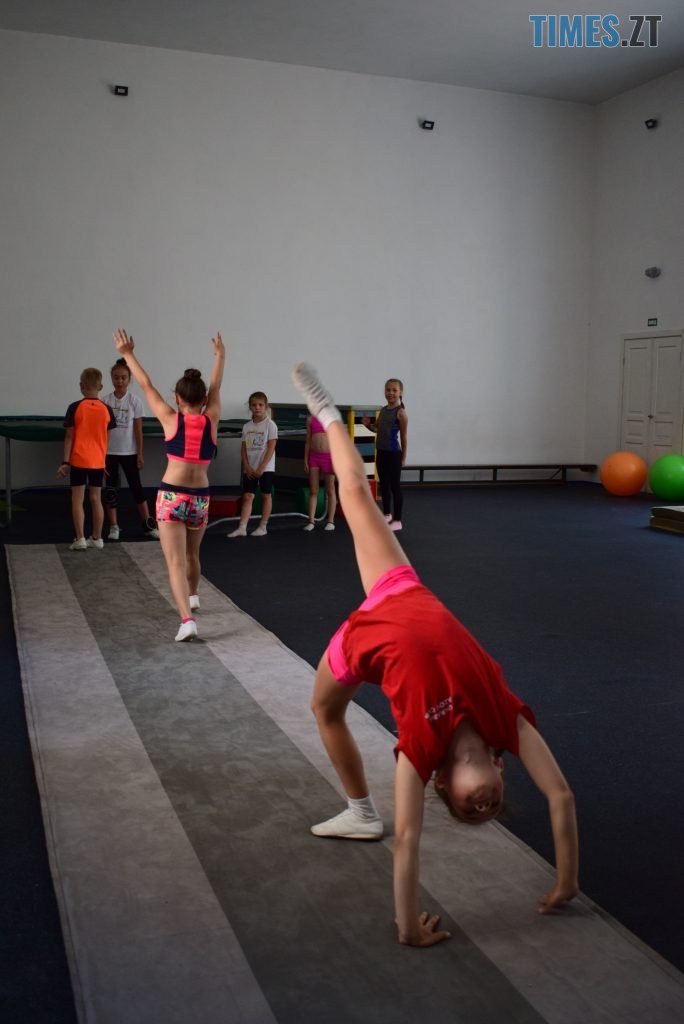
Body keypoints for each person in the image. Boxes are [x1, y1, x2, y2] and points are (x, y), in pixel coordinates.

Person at [291, 362, 579, 948]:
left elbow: (408, 841)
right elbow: (560, 795)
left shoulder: (422, 750)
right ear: (501, 767)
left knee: (323, 709)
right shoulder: (504, 719)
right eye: (492, 807)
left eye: (470, 812)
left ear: (442, 784)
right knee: (356, 493)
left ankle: (361, 809)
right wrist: (567, 880)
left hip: (363, 639)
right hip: (402, 590)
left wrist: (408, 929)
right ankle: (327, 413)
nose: (484, 808)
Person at [112, 328, 225, 642]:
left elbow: (145, 385)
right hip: (200, 498)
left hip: (172, 496)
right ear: (204, 400)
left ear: (177, 398)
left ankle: (187, 621)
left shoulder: (169, 418)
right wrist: (220, 356)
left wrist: (128, 353)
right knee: (192, 555)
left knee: (175, 562)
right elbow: (216, 388)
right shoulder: (212, 418)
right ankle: (194, 594)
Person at [57, 367, 117, 550]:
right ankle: (97, 538)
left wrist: (65, 462)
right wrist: (102, 458)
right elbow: (107, 439)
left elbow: (69, 437)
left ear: (81, 386)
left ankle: (80, 538)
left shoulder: (74, 408)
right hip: (98, 461)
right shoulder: (107, 410)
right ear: (101, 386)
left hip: (78, 460)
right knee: (96, 499)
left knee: (77, 500)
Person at [102, 357, 160, 541]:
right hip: (109, 453)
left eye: (123, 378)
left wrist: (140, 453)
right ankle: (114, 526)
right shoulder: (105, 401)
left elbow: (138, 430)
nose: (120, 381)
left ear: (129, 379)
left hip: (129, 452)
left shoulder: (135, 401)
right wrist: (101, 453)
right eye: (116, 378)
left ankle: (148, 525)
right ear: (111, 379)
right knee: (110, 490)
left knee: (136, 488)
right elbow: (101, 430)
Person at [227, 392, 277, 538]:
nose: (257, 408)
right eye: (254, 405)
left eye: (260, 405)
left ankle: (263, 526)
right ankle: (242, 527)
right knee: (248, 496)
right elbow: (243, 449)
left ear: (266, 406)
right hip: (250, 467)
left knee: (266, 495)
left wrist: (262, 467)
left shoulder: (270, 425)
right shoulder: (247, 426)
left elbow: (271, 447)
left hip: (265, 467)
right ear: (250, 407)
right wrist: (247, 466)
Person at [362, 378, 408, 531]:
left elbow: (404, 437)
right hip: (381, 452)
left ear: (400, 393)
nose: (390, 393)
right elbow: (377, 429)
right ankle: (387, 514)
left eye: (394, 390)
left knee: (395, 487)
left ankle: (398, 521)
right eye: (388, 390)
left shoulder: (401, 413)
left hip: (394, 454)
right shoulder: (383, 410)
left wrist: (403, 457)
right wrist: (368, 425)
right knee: (384, 485)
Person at [302, 414, 336, 531]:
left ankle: (331, 520)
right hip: (314, 457)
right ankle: (311, 521)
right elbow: (308, 441)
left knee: (330, 490)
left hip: (329, 458)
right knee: (313, 490)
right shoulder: (310, 419)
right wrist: (306, 460)